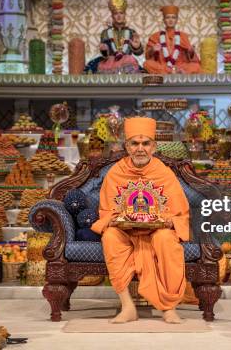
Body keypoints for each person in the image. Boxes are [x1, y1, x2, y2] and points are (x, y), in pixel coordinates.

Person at [91, 116, 189, 324]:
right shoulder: (116, 172)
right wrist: (121, 218)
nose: (140, 149)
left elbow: (179, 213)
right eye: (135, 143)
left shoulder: (164, 173)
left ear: (153, 147)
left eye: (145, 143)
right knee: (109, 236)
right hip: (125, 231)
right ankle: (128, 307)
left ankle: (168, 307)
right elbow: (107, 211)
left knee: (165, 239)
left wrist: (166, 220)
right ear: (127, 146)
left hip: (157, 229)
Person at [84, 0, 143, 74]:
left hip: (127, 62)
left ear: (125, 15)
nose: (119, 16)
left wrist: (137, 46)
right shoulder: (106, 33)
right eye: (116, 13)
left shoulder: (131, 32)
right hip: (110, 62)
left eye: (121, 13)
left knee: (130, 62)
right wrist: (104, 50)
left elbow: (139, 53)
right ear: (112, 16)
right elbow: (105, 55)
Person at [144, 5, 201, 74]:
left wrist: (191, 52)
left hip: (180, 66)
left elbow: (191, 59)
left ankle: (173, 71)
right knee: (147, 64)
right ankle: (172, 72)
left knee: (196, 66)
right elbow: (147, 57)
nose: (170, 20)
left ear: (176, 20)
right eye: (168, 17)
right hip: (163, 65)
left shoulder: (183, 36)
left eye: (173, 17)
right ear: (164, 20)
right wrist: (152, 50)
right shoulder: (155, 36)